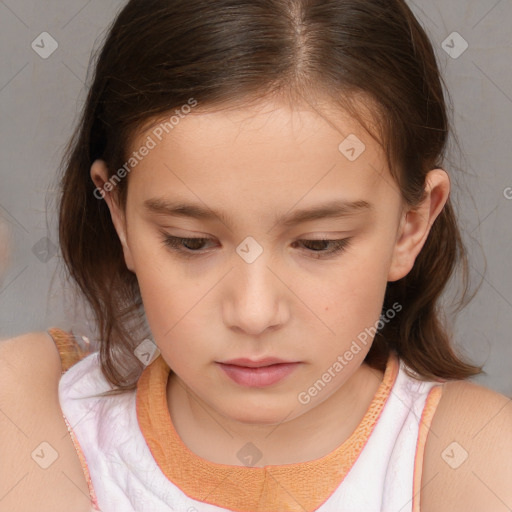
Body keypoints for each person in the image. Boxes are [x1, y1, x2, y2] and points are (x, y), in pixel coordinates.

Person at [1, 0, 511, 511]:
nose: (253, 313)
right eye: (191, 242)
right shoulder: (42, 422)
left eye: (319, 244)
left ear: (411, 227)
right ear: (119, 216)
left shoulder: (470, 457)